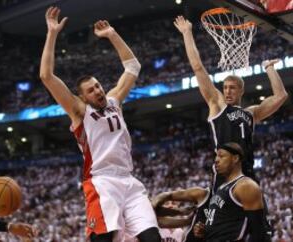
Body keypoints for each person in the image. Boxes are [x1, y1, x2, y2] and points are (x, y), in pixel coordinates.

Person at [39, 6, 161, 242]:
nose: (98, 90)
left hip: (129, 181)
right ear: (82, 97)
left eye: (98, 85)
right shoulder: (79, 111)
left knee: (153, 239)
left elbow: (133, 66)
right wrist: (52, 33)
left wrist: (112, 35)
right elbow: (46, 76)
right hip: (102, 182)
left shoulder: (115, 100)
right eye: (91, 90)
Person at [174, 15, 288, 239]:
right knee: (213, 229)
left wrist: (269, 69)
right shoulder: (216, 106)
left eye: (232, 88)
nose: (227, 91)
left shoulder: (250, 113)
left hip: (247, 174)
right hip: (224, 175)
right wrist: (187, 33)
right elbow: (198, 68)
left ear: (241, 91)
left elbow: (281, 95)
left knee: (257, 230)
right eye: (225, 87)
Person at [193, 142, 266, 241]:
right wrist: (205, 230)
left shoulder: (245, 186)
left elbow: (259, 231)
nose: (216, 160)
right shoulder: (221, 188)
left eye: (221, 156)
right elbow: (225, 225)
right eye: (216, 156)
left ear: (235, 158)